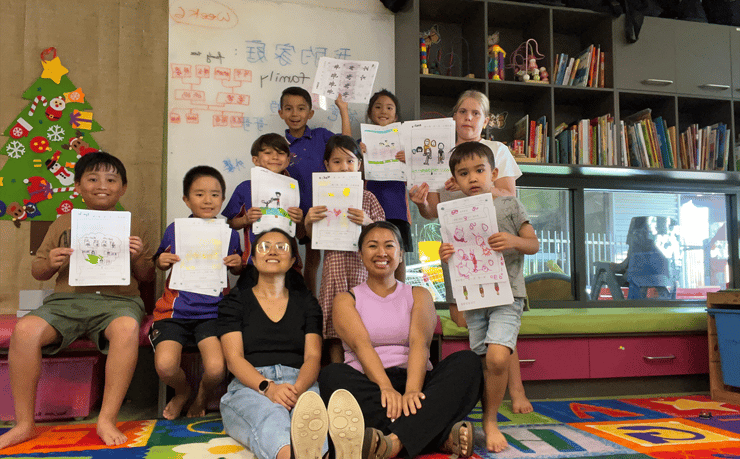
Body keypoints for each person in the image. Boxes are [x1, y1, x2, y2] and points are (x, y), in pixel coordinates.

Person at [0, 152, 155, 450]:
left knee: (126, 329)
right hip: (66, 302)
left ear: (123, 188)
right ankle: (24, 424)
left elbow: (147, 276)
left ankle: (106, 419)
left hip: (119, 302)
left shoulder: (134, 225)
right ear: (78, 187)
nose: (102, 185)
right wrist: (51, 262)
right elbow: (39, 271)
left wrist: (138, 258)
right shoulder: (63, 222)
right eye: (93, 179)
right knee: (25, 331)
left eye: (111, 180)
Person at [409, 88, 533, 415]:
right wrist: (421, 201)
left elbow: (508, 194)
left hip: (493, 247)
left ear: (486, 120)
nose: (468, 118)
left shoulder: (497, 151)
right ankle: (484, 391)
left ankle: (516, 390)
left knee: (500, 318)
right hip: (458, 251)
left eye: (476, 113)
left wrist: (469, 183)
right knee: (465, 319)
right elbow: (431, 212)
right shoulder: (440, 155)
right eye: (463, 111)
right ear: (454, 117)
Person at [319, 221, 483, 459]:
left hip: (417, 382)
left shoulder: (419, 294)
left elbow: (420, 343)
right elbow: (361, 347)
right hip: (371, 386)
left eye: (389, 245)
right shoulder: (346, 299)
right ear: (360, 254)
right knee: (331, 375)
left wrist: (412, 391)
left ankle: (393, 442)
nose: (381, 253)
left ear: (401, 254)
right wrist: (385, 387)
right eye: (372, 246)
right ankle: (439, 437)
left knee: (468, 362)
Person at [218, 229, 365, 459]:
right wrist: (269, 388)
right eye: (264, 247)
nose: (273, 251)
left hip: (301, 383)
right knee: (271, 415)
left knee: (314, 420)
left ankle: (327, 454)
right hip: (251, 386)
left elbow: (313, 357)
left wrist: (297, 390)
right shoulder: (235, 301)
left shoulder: (307, 303)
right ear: (253, 259)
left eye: (282, 247)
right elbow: (234, 359)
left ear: (293, 260)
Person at [439, 142, 539, 453]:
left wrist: (513, 240)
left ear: (493, 173)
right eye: (463, 173)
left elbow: (533, 244)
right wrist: (445, 254)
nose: (473, 177)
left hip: (507, 295)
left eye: (479, 170)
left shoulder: (509, 205)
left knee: (498, 357)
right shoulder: (454, 213)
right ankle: (487, 417)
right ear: (455, 179)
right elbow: (454, 257)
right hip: (474, 298)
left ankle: (491, 421)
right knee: (483, 361)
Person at [151, 166, 243, 419]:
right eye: (199, 194)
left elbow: (236, 269)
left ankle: (202, 396)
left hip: (212, 313)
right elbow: (159, 260)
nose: (207, 200)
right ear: (186, 199)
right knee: (165, 366)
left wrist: (238, 264)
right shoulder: (175, 229)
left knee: (216, 368)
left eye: (214, 194)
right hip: (174, 312)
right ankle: (182, 392)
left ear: (222, 199)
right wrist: (162, 261)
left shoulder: (229, 234)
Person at [304, 135, 385, 363]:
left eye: (350, 161)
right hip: (334, 270)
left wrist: (368, 222)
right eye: (337, 161)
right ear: (327, 165)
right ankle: (337, 370)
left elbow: (385, 236)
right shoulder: (322, 196)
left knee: (364, 323)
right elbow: (313, 237)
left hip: (363, 271)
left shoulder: (368, 198)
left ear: (359, 165)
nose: (344, 167)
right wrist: (308, 222)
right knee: (334, 327)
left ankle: (365, 369)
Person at [281, 87, 351, 295]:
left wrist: (343, 109)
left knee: (338, 257)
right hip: (303, 215)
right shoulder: (281, 147)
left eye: (301, 108)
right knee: (311, 260)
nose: (295, 114)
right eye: (289, 109)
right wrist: (297, 219)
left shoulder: (321, 136)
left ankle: (340, 299)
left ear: (310, 113)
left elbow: (346, 147)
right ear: (281, 113)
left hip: (334, 209)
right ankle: (311, 301)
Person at [222, 133, 304, 266]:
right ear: (255, 160)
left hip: (287, 263)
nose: (275, 157)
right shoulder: (245, 188)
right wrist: (245, 220)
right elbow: (230, 223)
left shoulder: (293, 188)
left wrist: (299, 220)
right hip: (253, 262)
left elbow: (300, 234)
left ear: (288, 160)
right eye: (268, 153)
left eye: (281, 153)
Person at [361, 90, 412, 282]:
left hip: (397, 209)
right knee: (371, 254)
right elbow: (356, 175)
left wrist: (409, 160)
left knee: (398, 255)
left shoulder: (405, 144)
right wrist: (361, 156)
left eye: (389, 108)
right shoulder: (361, 142)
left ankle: (401, 294)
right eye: (378, 107)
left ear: (396, 116)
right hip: (370, 209)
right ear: (370, 113)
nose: (383, 111)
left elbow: (415, 176)